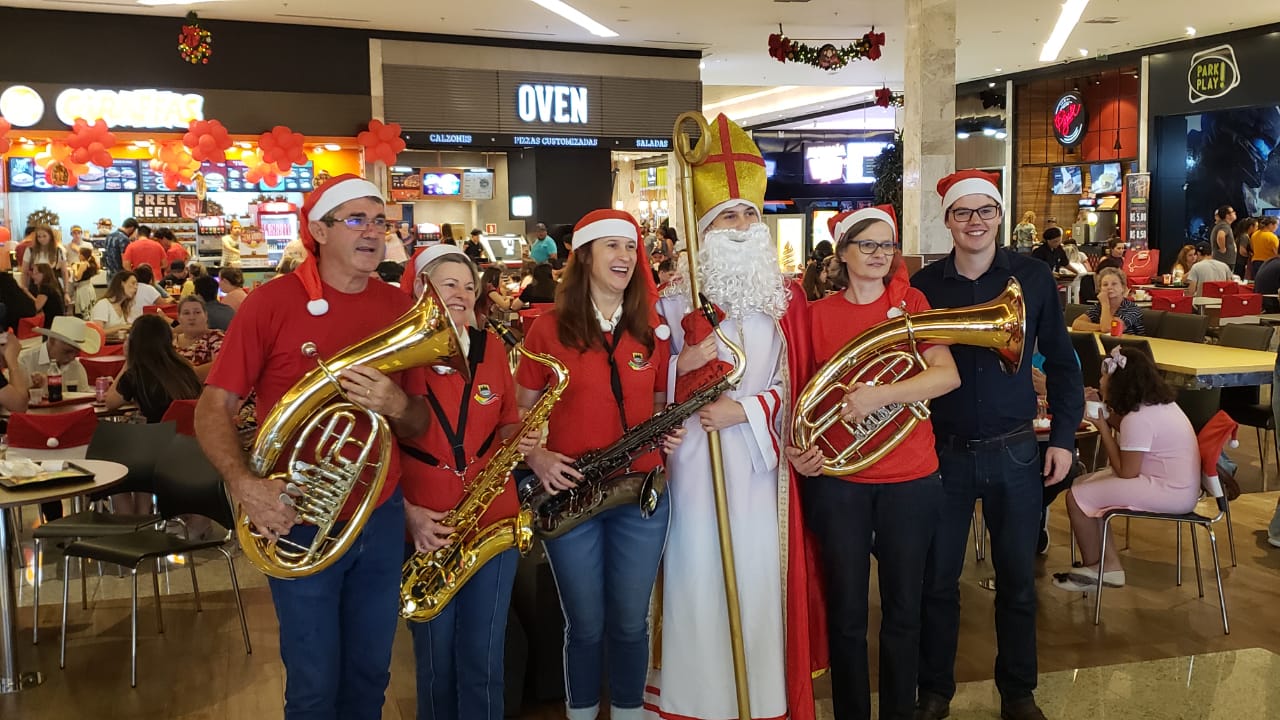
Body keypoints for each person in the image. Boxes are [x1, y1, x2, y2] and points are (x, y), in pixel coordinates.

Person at [195, 174, 431, 719]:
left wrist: (396, 405)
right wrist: (244, 484)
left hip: (378, 511)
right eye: (357, 220)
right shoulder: (271, 303)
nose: (373, 232)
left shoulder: (400, 307)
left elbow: (418, 422)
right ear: (319, 230)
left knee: (372, 674)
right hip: (299, 515)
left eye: (381, 221)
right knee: (314, 683)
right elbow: (214, 407)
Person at [648, 114, 821, 720]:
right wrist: (682, 372)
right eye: (728, 217)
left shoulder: (785, 301)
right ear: (704, 231)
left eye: (750, 215)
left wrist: (742, 409)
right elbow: (647, 388)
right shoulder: (671, 301)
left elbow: (795, 385)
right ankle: (697, 700)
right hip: (692, 468)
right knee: (697, 570)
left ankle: (762, 698)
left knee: (755, 578)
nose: (743, 226)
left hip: (758, 469)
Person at [911, 169, 1083, 720]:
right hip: (945, 452)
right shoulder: (927, 286)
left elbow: (1062, 363)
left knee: (1017, 581)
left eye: (985, 211)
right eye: (964, 213)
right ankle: (934, 690)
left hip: (1014, 450)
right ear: (948, 222)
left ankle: (1018, 692)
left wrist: (1062, 438)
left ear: (1000, 218)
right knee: (936, 582)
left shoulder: (1032, 278)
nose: (976, 222)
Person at [786, 206, 955, 720]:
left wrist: (879, 396)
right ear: (842, 253)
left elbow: (945, 376)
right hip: (840, 484)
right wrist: (800, 449)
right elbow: (800, 399)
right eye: (868, 246)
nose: (881, 255)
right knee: (847, 614)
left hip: (911, 479)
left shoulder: (912, 303)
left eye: (888, 246)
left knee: (904, 610)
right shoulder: (816, 316)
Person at [517, 209, 682, 720]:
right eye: (612, 246)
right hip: (571, 496)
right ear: (584, 255)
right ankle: (581, 712)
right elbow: (517, 414)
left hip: (641, 493)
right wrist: (538, 457)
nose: (625, 257)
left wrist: (668, 432)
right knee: (584, 625)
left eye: (631, 247)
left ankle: (630, 713)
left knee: (632, 622)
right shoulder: (546, 329)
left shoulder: (652, 327)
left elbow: (658, 402)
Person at [396, 245, 530, 720]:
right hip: (428, 520)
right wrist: (408, 516)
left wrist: (524, 436)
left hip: (493, 518)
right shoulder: (394, 352)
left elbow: (508, 421)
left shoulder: (492, 346)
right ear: (419, 287)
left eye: (469, 286)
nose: (461, 294)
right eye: (448, 283)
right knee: (435, 661)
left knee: (485, 658)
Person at [1052, 347, 1200, 591]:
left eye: (1105, 376)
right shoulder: (1154, 406)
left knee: (1076, 497)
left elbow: (1126, 472)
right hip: (1175, 484)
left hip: (1169, 491)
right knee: (1083, 485)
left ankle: (1098, 567)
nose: (1100, 381)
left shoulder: (1139, 417)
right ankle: (1107, 563)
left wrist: (1102, 427)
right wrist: (1103, 413)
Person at [105, 313, 202, 423]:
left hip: (155, 436)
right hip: (189, 435)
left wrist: (128, 361)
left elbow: (110, 403)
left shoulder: (136, 374)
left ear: (134, 342)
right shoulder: (185, 367)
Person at [20, 314, 95, 394]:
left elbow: (86, 398)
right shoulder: (24, 362)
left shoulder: (76, 367)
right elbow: (15, 402)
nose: (72, 357)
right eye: (67, 351)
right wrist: (34, 389)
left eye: (76, 353)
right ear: (52, 341)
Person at [1071, 267, 1145, 335]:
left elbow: (1108, 328)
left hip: (1130, 347)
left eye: (1114, 284)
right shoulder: (1099, 307)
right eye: (1105, 285)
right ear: (1100, 289)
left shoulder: (1131, 308)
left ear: (1123, 287)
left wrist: (1105, 304)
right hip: (1107, 345)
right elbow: (1076, 324)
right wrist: (1100, 326)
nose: (1109, 287)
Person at [172, 295, 225, 381]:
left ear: (206, 316)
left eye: (197, 312)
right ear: (179, 318)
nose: (192, 317)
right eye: (186, 313)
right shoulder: (171, 342)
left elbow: (222, 366)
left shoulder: (216, 337)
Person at [22, 225, 68, 290]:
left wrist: (66, 291)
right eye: (39, 237)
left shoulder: (59, 251)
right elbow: (24, 272)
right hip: (36, 288)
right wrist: (24, 287)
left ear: (50, 236)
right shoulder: (30, 251)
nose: (41, 239)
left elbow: (64, 272)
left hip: (53, 288)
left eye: (44, 236)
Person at [27, 263, 65, 330]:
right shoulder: (51, 286)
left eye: (36, 273)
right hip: (57, 323)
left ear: (43, 274)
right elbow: (38, 302)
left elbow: (36, 307)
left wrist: (26, 293)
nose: (33, 276)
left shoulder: (45, 288)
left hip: (52, 325)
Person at [70, 247, 99, 318]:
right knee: (91, 309)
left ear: (82, 255)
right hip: (89, 286)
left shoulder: (84, 264)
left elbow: (78, 277)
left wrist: (74, 269)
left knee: (85, 309)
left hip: (83, 289)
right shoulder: (91, 264)